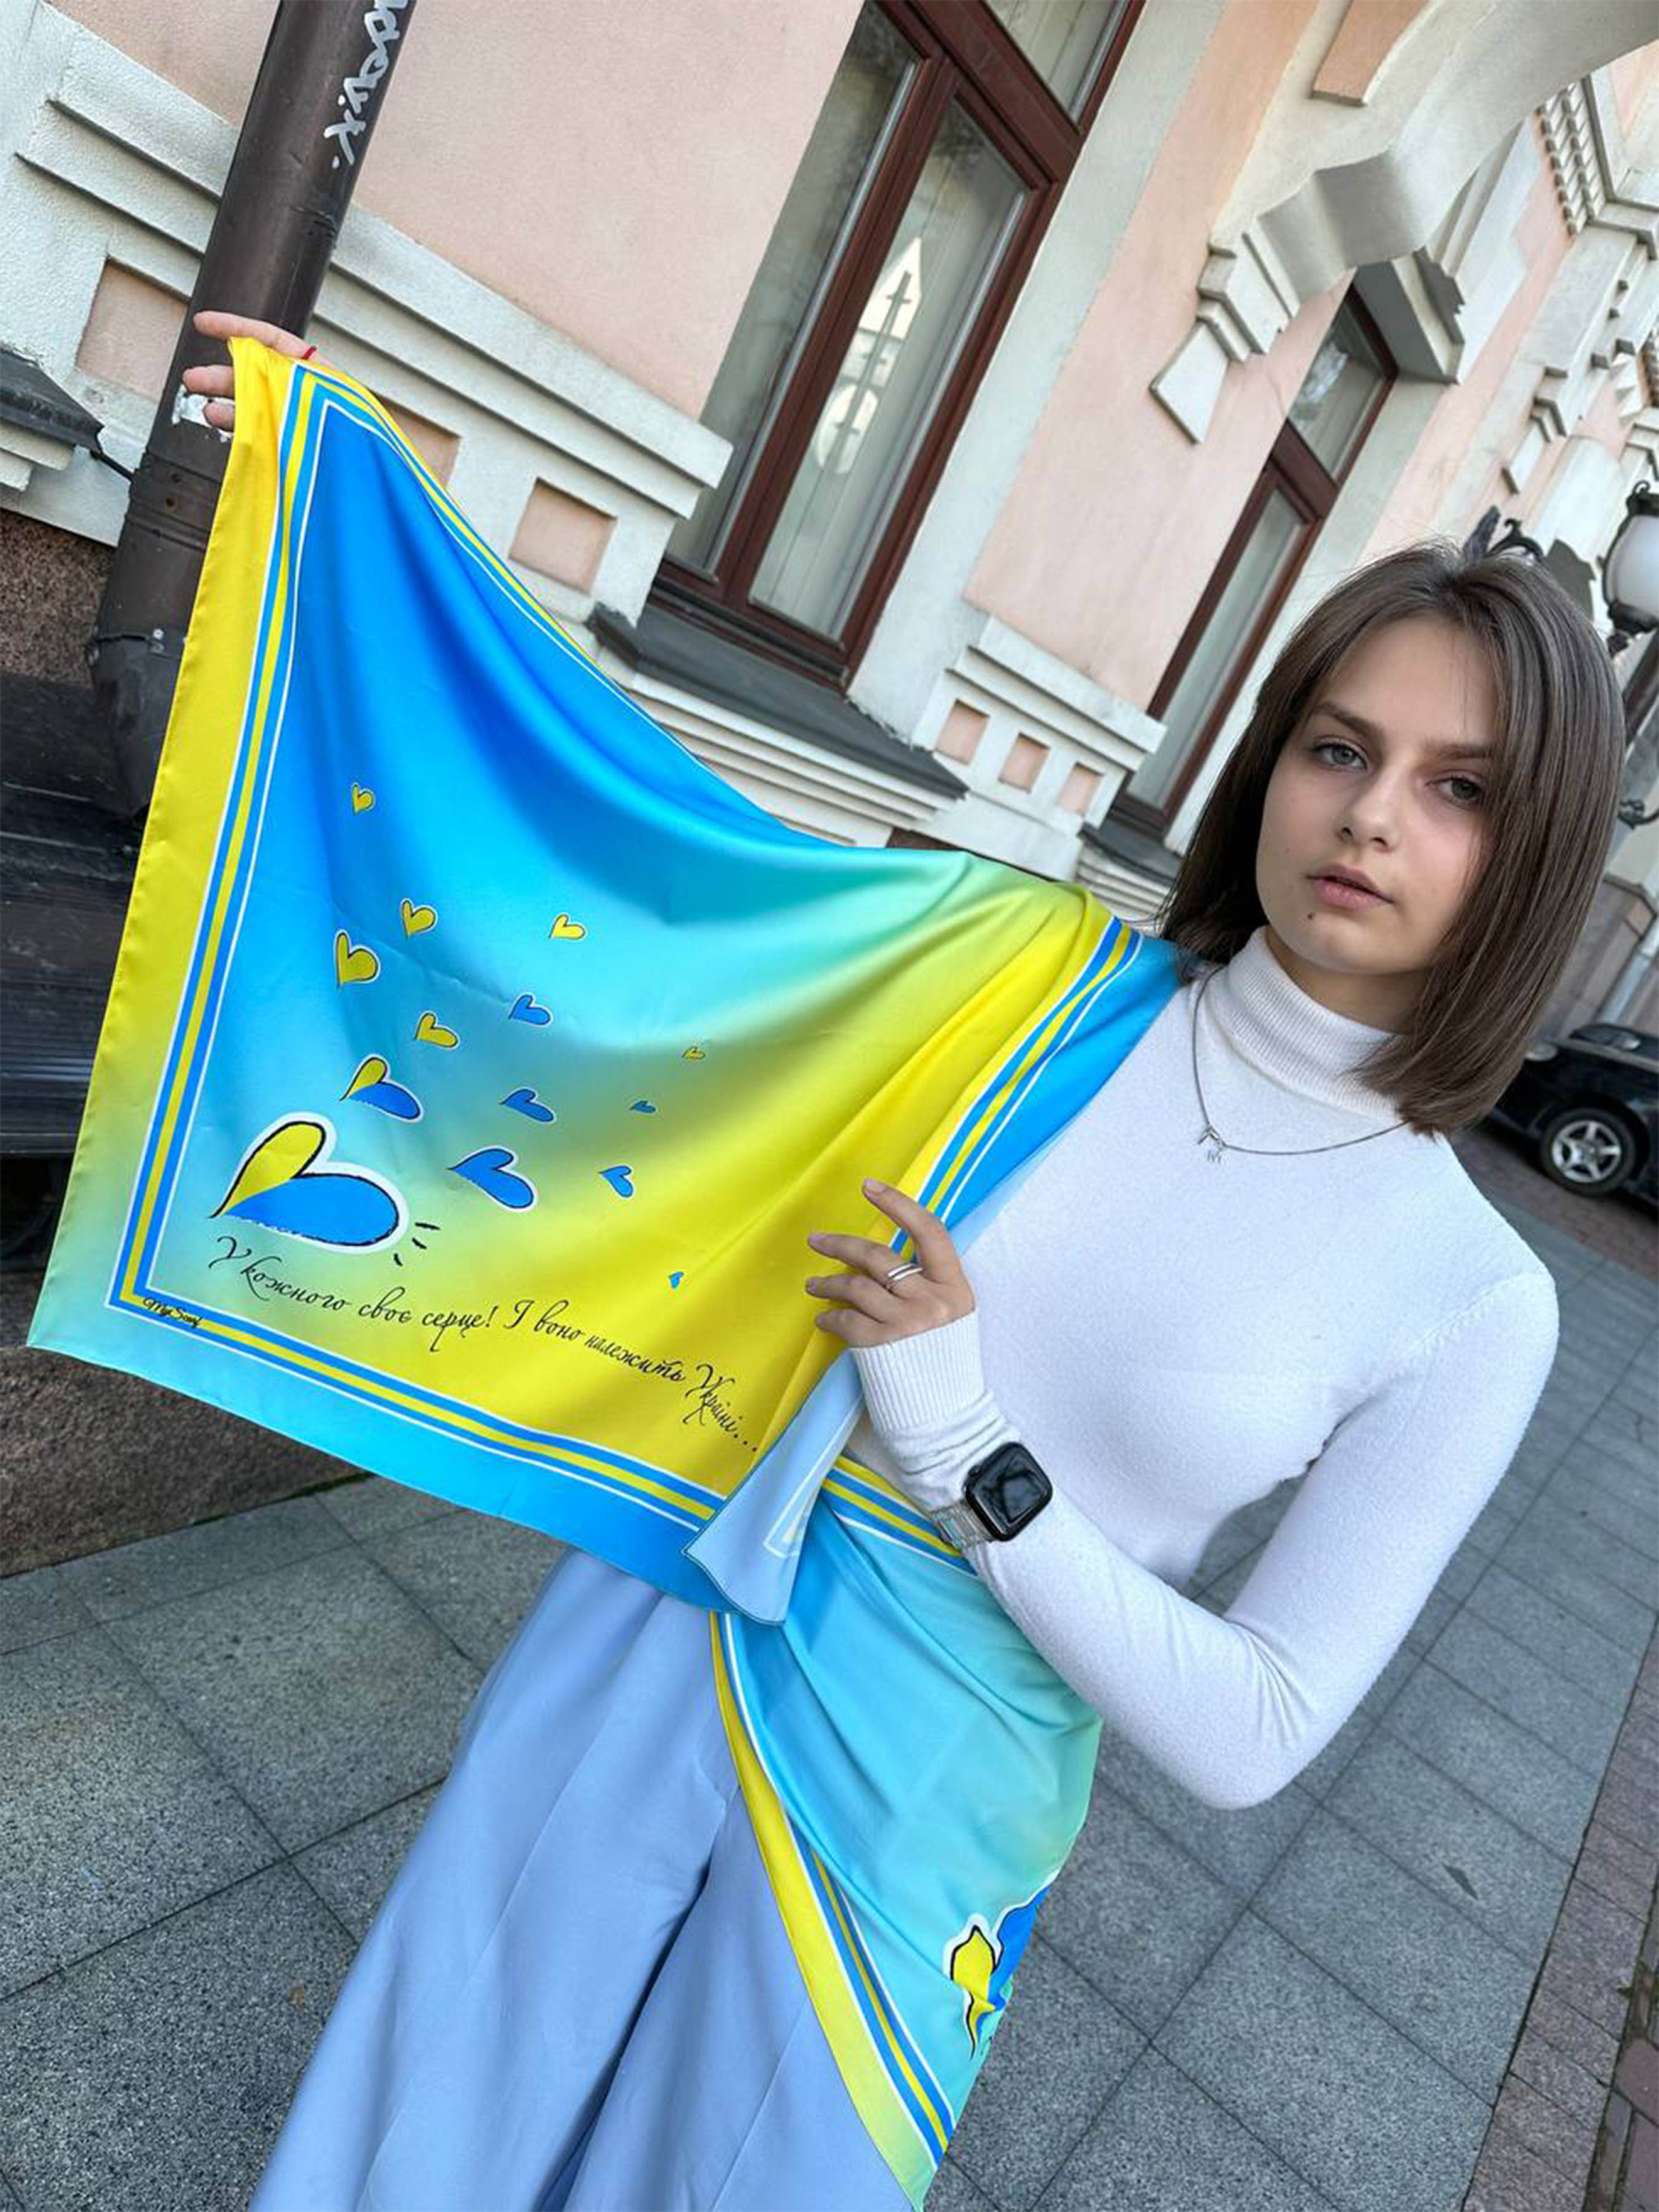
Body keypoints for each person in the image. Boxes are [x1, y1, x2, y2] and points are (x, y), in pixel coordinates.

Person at [187, 315, 1628, 2210]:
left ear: (1533, 854)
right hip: (674, 1609)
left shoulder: (1470, 1294)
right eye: (1335, 747)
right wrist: (337, 508)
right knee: (432, 2111)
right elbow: (640, 896)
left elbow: (1252, 1729)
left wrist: (967, 1449)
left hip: (936, 1793)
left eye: (1458, 789)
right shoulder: (1015, 979)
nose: (1367, 813)